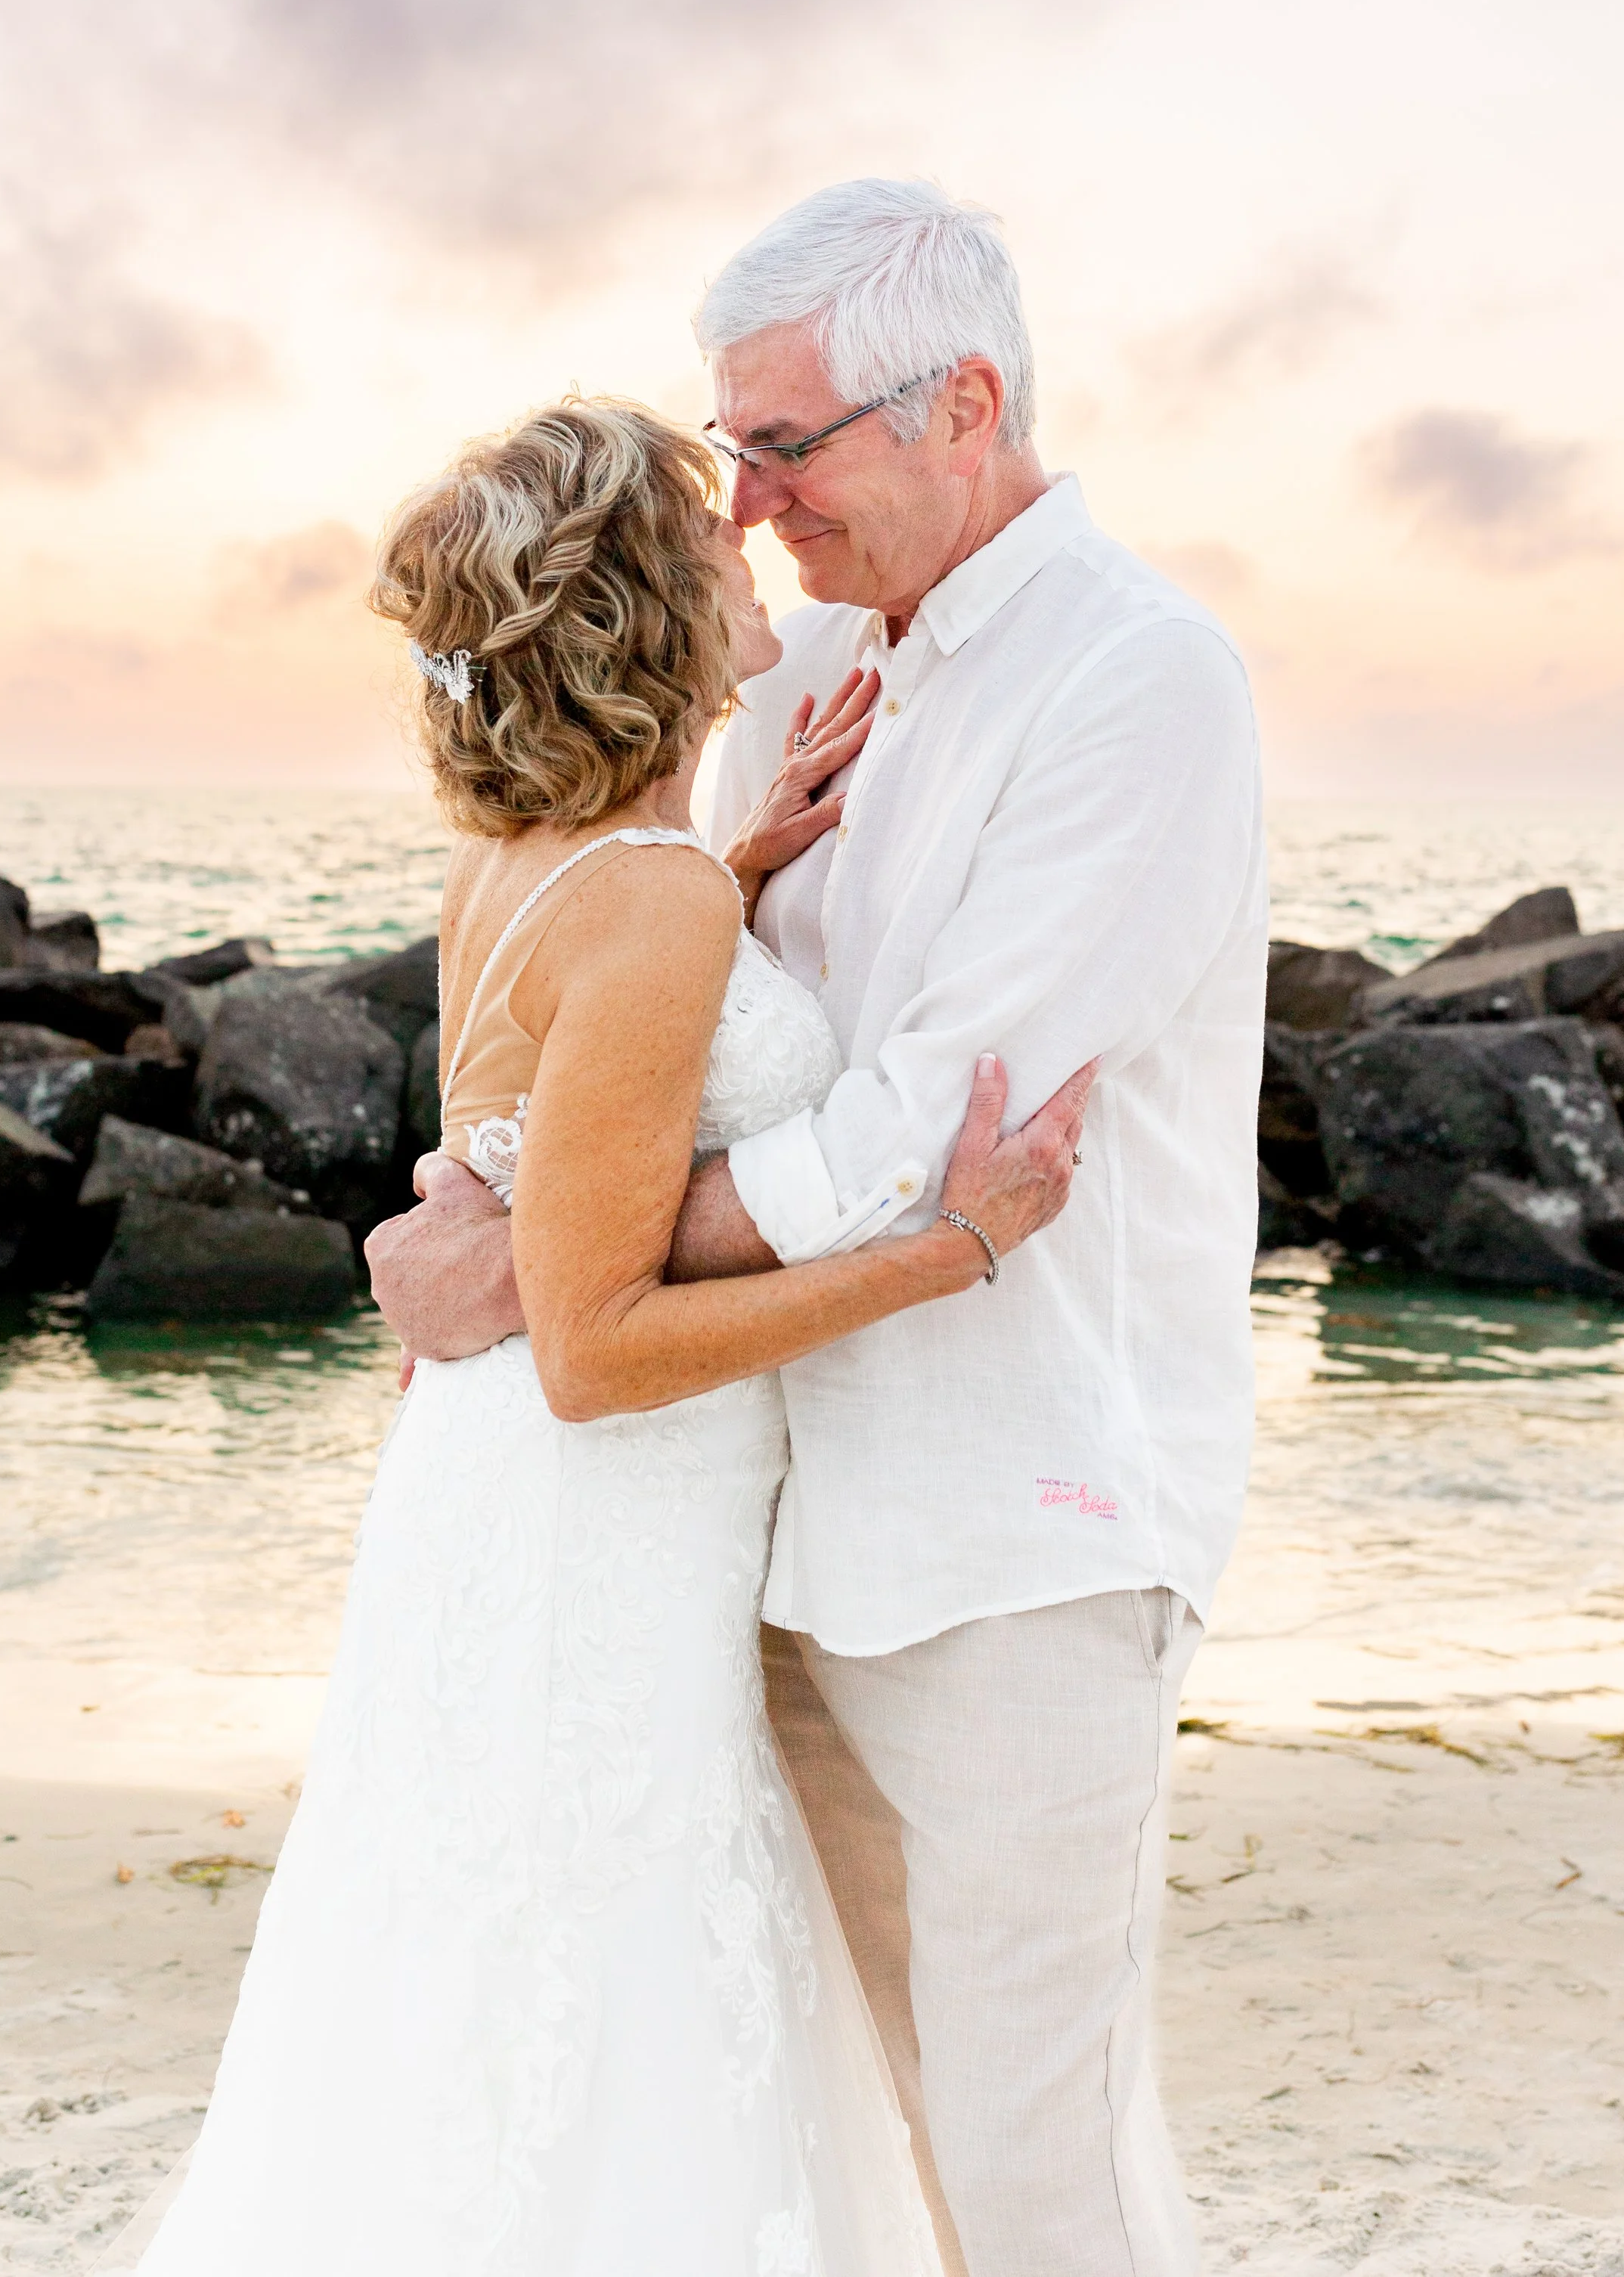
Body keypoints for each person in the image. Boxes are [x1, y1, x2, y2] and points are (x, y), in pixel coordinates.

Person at [376, 181, 1269, 2277]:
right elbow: (654, 1027)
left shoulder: (1136, 678)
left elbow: (927, 1129)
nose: (750, 502)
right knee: (853, 2122)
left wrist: (540, 1255)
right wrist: (532, 1178)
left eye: (785, 445)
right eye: (733, 449)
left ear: (963, 404)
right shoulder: (800, 675)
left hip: (1016, 1527)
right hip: (749, 1528)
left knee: (1032, 2155)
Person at [102, 396, 1090, 2277]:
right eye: (711, 530)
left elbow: (551, 1123)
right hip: (595, 1528)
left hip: (492, 1510)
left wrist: (742, 871)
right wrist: (945, 1248)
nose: (750, 545)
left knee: (474, 1986)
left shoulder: (538, 857)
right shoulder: (647, 894)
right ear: (647, 597)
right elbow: (595, 1348)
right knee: (600, 1986)